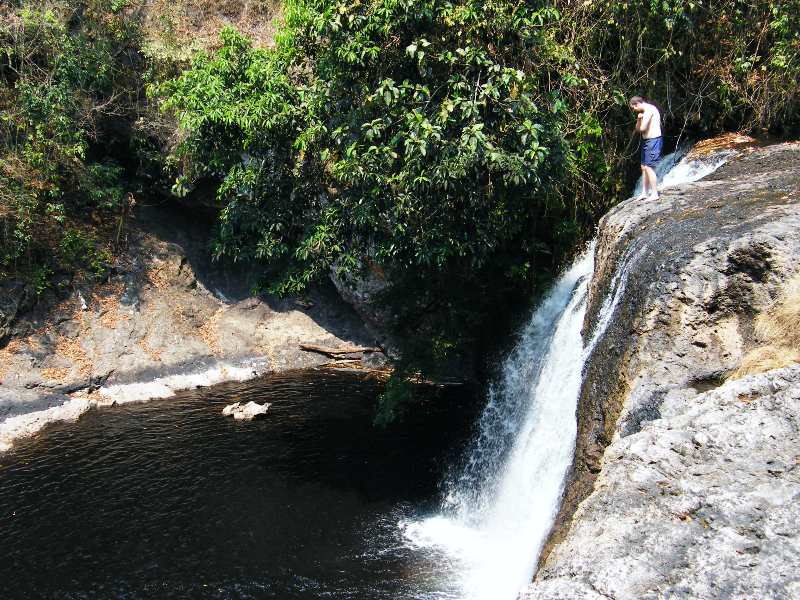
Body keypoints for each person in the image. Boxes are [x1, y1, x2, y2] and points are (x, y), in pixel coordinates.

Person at [629, 96, 662, 201]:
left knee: (649, 167)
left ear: (637, 104)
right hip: (647, 141)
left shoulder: (649, 110)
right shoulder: (644, 111)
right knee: (644, 167)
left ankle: (654, 194)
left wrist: (640, 120)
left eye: (633, 108)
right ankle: (644, 193)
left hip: (653, 140)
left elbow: (643, 128)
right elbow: (638, 129)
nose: (634, 110)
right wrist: (639, 119)